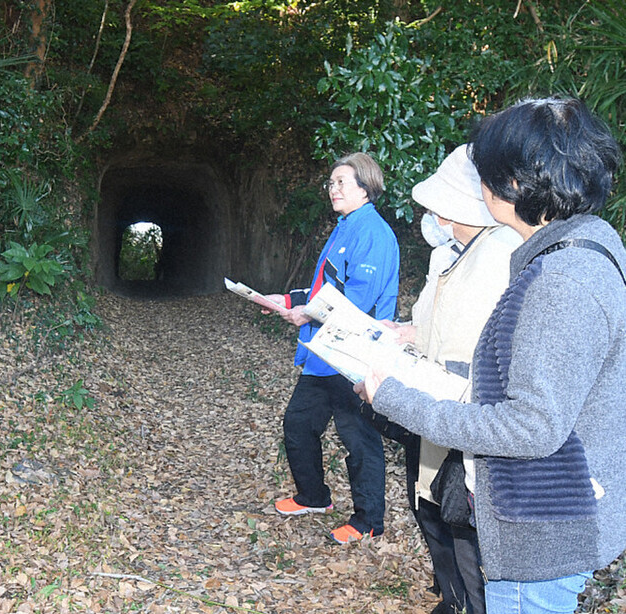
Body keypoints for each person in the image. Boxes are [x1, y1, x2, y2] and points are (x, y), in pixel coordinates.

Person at [356, 97, 626, 614]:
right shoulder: (576, 251)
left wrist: (396, 398)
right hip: (552, 506)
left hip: (544, 526)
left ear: (514, 184)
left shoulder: (562, 280)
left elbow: (529, 428)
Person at [388, 144, 521, 614]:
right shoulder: (461, 254)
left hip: (463, 415)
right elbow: (437, 324)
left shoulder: (497, 254)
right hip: (440, 410)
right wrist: (404, 334)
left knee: (464, 522)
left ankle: (474, 603)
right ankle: (457, 599)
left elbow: (475, 352)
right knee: (437, 511)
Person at [264, 152, 399, 544]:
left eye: (342, 182)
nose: (333, 189)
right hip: (325, 354)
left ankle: (368, 521)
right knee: (298, 424)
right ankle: (314, 497)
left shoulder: (371, 231)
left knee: (358, 439)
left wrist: (308, 314)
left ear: (366, 186)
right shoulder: (345, 227)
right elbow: (329, 287)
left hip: (353, 356)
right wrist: (289, 301)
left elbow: (357, 299)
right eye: (331, 182)